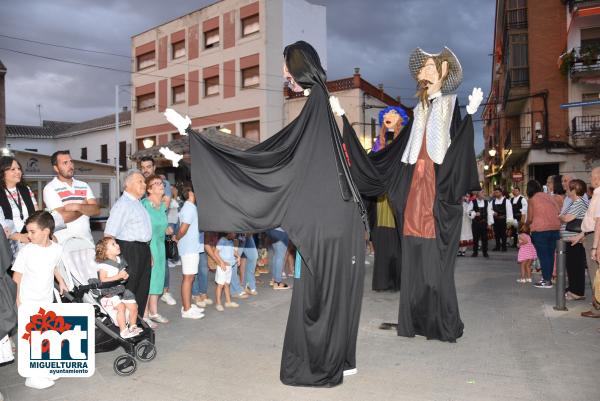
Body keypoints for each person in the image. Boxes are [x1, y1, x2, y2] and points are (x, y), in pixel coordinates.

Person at [166, 41, 367, 386]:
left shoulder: (315, 105)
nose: (284, 74)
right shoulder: (319, 105)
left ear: (301, 67)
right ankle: (341, 358)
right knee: (337, 290)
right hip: (338, 217)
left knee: (319, 292)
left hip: (326, 221)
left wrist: (197, 139)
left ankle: (323, 364)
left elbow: (271, 157)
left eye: (287, 66)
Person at [11, 211, 67, 390]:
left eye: (32, 231)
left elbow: (54, 266)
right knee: (31, 337)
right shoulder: (27, 251)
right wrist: (17, 300)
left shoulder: (57, 248)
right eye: (28, 231)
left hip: (46, 299)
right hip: (27, 300)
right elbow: (16, 278)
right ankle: (32, 376)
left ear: (46, 231)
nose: (28, 235)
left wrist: (62, 281)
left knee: (45, 334)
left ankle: (44, 368)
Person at [104, 170, 152, 321]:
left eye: (144, 182)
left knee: (142, 290)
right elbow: (109, 234)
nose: (144, 185)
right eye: (140, 181)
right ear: (127, 184)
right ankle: (126, 326)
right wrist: (112, 262)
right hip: (129, 250)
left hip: (142, 249)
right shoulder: (122, 205)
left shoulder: (137, 203)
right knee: (130, 291)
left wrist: (148, 253)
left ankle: (136, 324)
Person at [139, 156, 176, 306]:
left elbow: (165, 204)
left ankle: (165, 292)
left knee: (162, 267)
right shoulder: (140, 186)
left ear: (154, 167)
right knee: (152, 273)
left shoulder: (163, 184)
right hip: (151, 236)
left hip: (160, 230)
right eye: (143, 167)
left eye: (148, 167)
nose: (145, 170)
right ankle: (148, 309)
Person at [43, 150, 99, 244]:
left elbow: (96, 210)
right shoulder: (50, 188)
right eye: (65, 163)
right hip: (63, 244)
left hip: (87, 242)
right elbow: (62, 217)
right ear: (56, 168)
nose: (70, 165)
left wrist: (78, 206)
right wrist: (85, 207)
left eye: (71, 161)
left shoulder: (84, 185)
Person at [141, 174, 173, 326]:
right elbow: (141, 228)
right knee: (148, 281)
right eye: (157, 183)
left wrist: (168, 229)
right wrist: (147, 251)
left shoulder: (162, 206)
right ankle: (145, 314)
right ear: (149, 189)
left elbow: (161, 225)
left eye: (161, 183)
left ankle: (154, 312)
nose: (161, 185)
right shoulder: (144, 205)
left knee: (158, 280)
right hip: (149, 246)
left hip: (160, 246)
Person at [95, 237, 143, 338]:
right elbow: (102, 280)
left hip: (120, 289)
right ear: (106, 251)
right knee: (121, 307)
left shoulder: (119, 260)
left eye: (116, 243)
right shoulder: (104, 265)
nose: (117, 245)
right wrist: (118, 277)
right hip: (109, 292)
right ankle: (123, 330)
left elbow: (122, 274)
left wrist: (124, 276)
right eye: (113, 244)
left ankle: (133, 326)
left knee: (133, 306)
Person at [568, 167, 600, 317]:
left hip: (596, 238)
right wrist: (581, 235)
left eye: (592, 175)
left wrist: (595, 247)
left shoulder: (599, 194)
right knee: (595, 276)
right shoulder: (595, 194)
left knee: (596, 276)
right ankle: (596, 307)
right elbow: (591, 222)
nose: (590, 178)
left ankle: (597, 309)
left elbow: (598, 222)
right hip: (591, 234)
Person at [172, 183, 205, 319]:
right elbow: (183, 229)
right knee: (188, 278)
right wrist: (176, 237)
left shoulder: (189, 207)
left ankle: (188, 306)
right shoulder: (190, 208)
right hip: (189, 248)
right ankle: (186, 309)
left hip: (191, 247)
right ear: (190, 193)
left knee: (190, 278)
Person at [525, 179, 560, 289]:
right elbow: (558, 211)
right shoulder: (549, 197)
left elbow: (530, 218)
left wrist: (525, 225)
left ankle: (546, 280)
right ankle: (548, 278)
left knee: (544, 256)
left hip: (540, 230)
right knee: (550, 255)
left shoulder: (532, 199)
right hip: (555, 229)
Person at [0, 156, 39, 255]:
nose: (18, 172)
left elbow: (37, 214)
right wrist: (20, 237)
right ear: (2, 172)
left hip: (30, 237)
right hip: (10, 243)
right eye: (13, 169)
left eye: (19, 169)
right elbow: (2, 225)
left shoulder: (26, 190)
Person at [560, 179, 589, 300]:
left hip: (576, 240)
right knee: (571, 266)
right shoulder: (574, 201)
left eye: (569, 188)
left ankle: (577, 292)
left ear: (574, 190)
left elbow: (567, 218)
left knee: (575, 266)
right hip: (571, 239)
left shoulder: (579, 202)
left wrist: (561, 216)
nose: (566, 189)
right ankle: (573, 288)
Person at [211, 233, 240, 312]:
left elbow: (233, 251)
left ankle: (228, 302)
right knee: (220, 285)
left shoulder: (231, 241)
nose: (235, 235)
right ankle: (218, 303)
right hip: (222, 267)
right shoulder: (222, 241)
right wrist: (221, 262)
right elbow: (216, 252)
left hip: (229, 266)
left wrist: (238, 256)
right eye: (234, 233)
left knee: (227, 284)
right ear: (228, 232)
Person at [468, 190, 493, 257]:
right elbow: (468, 212)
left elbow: (489, 213)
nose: (484, 194)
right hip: (475, 223)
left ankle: (485, 252)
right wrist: (474, 213)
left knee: (485, 238)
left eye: (484, 193)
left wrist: (489, 224)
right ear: (478, 194)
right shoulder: (472, 202)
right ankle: (475, 252)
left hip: (484, 223)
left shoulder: (487, 202)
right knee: (475, 238)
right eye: (482, 193)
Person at [491, 186, 513, 252]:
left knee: (504, 234)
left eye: (497, 192)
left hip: (503, 219)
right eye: (495, 192)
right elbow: (489, 210)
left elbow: (509, 212)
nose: (496, 194)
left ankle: (504, 247)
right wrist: (493, 212)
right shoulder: (493, 201)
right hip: (496, 220)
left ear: (501, 193)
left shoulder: (507, 201)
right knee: (496, 234)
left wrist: (509, 223)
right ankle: (497, 246)